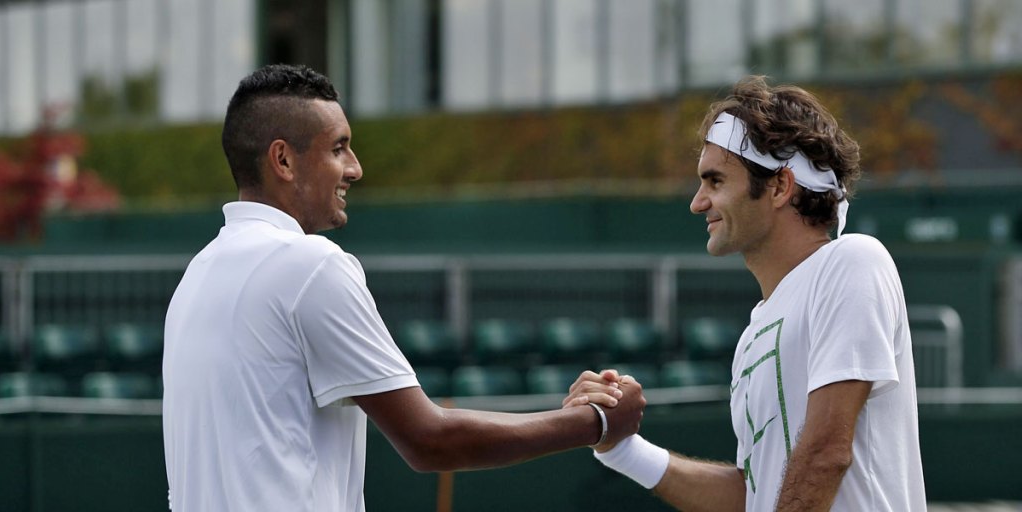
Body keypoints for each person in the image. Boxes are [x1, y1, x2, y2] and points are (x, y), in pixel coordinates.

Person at [161, 64, 646, 512]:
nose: (355, 168)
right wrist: (596, 422)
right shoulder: (310, 264)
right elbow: (429, 439)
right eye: (338, 148)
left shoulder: (196, 277)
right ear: (283, 160)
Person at [564, 76, 926, 511]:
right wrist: (623, 449)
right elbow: (756, 496)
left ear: (779, 187)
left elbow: (826, 453)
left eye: (715, 181)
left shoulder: (852, 260)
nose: (698, 202)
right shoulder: (754, 333)